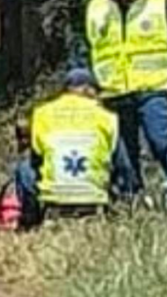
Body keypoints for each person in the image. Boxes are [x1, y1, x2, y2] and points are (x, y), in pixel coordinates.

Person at [78, 0, 167, 195]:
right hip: (112, 92)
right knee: (125, 158)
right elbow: (85, 48)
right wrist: (84, 84)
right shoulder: (97, 8)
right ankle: (131, 202)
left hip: (155, 87)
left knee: (161, 140)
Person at [13, 68, 128, 229]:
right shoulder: (106, 117)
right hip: (94, 198)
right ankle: (112, 213)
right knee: (115, 164)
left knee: (24, 167)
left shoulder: (43, 113)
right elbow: (123, 166)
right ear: (89, 89)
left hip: (55, 199)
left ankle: (30, 221)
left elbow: (37, 156)